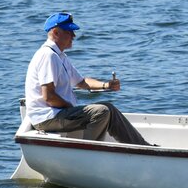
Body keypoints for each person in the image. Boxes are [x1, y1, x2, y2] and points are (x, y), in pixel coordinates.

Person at [24, 12, 152, 146]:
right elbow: (49, 96)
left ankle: (142, 146)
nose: (74, 36)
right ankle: (87, 152)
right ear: (56, 33)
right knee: (101, 112)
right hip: (47, 118)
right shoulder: (48, 56)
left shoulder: (59, 56)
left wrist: (106, 85)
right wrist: (69, 107)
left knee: (109, 108)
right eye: (70, 32)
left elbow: (81, 82)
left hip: (56, 114)